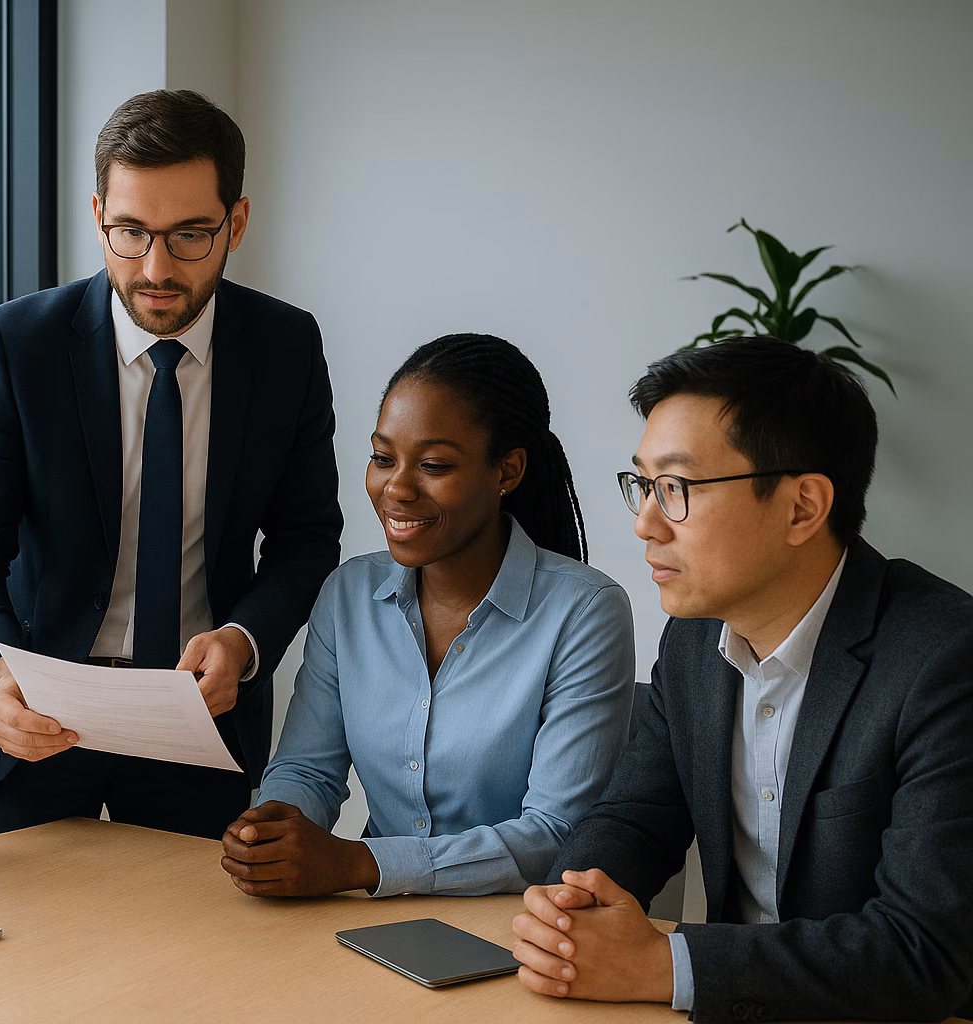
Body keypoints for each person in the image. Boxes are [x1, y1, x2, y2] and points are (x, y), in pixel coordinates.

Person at [510, 338, 973, 1021]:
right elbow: (636, 817)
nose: (643, 524)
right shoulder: (695, 640)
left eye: (676, 489)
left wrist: (659, 964)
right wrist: (569, 904)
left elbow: (924, 950)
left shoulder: (944, 660)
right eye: (643, 484)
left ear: (802, 507)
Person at [0, 89, 341, 840]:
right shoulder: (14, 347)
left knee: (194, 953)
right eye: (129, 232)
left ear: (235, 224)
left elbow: (307, 536)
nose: (155, 267)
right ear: (97, 217)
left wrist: (245, 641)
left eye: (189, 236)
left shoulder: (287, 347)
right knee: (30, 952)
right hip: (39, 715)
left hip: (197, 719)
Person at [220, 335, 636, 898]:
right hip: (367, 920)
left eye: (435, 465)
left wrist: (358, 864)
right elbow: (308, 770)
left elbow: (552, 835)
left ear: (507, 471)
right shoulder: (349, 593)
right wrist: (270, 830)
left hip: (520, 926)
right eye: (383, 458)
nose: (397, 487)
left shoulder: (585, 612)